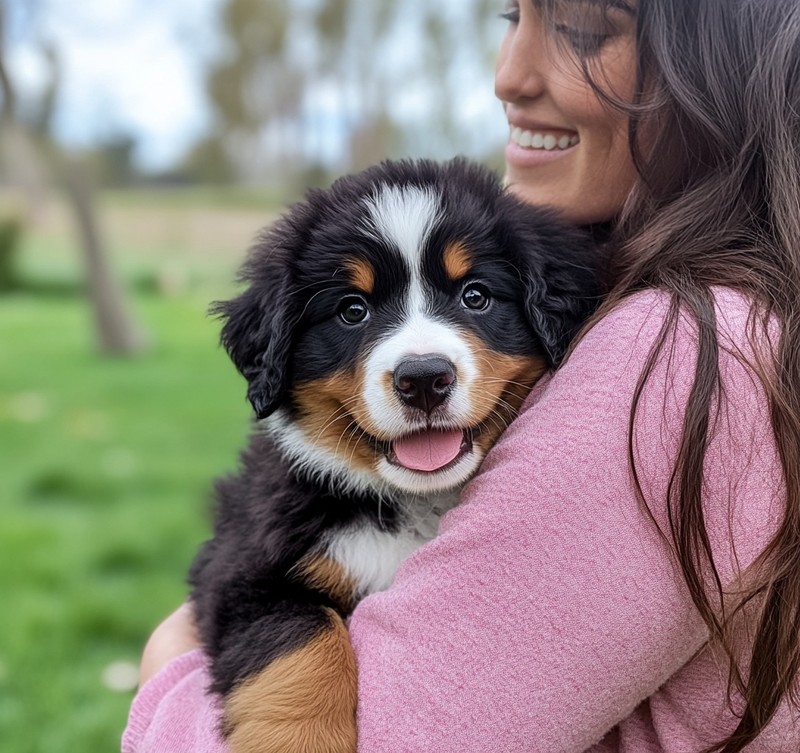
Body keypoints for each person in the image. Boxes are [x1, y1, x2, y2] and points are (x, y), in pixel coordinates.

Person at [122, 0, 800, 751]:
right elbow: (251, 593)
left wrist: (165, 666)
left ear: (721, 63)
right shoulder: (735, 316)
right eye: (510, 15)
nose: (507, 76)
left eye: (581, 29)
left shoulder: (680, 358)